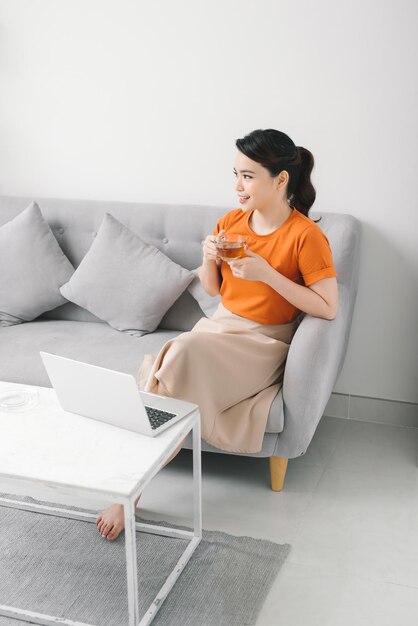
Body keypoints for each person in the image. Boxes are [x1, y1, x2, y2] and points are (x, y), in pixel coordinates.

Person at [96, 128, 338, 540]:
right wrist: (208, 257)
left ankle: (128, 490)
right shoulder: (231, 222)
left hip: (262, 342)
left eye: (248, 176)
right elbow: (214, 290)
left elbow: (328, 306)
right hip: (219, 327)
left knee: (179, 358)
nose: (238, 186)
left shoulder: (306, 235)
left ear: (281, 180)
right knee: (182, 361)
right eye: (235, 174)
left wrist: (269, 274)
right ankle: (130, 487)